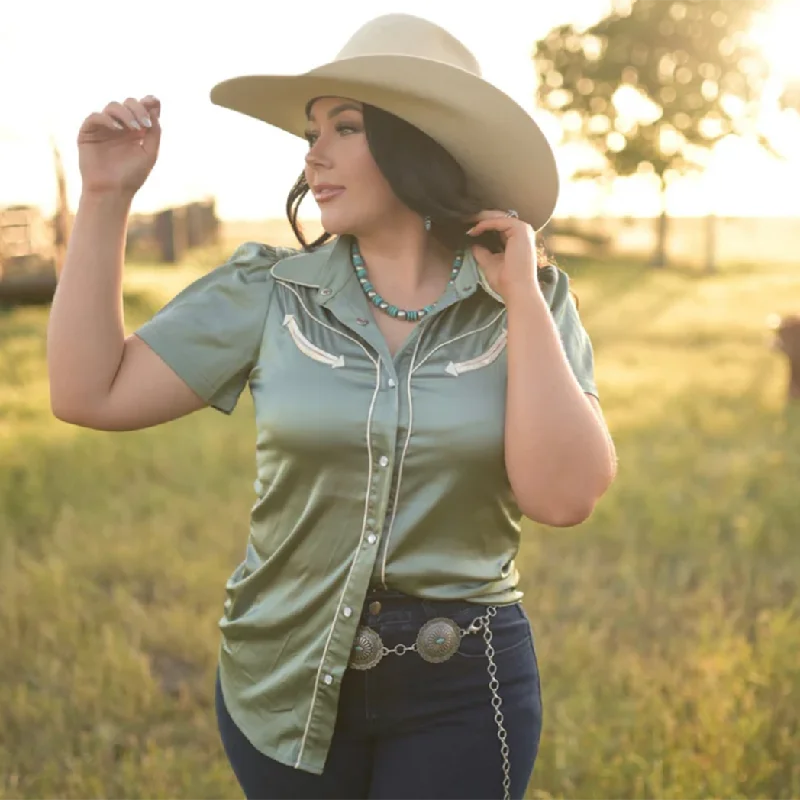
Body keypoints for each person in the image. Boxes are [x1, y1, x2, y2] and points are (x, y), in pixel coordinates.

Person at [46, 12, 617, 800]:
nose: (313, 153)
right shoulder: (268, 293)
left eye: (345, 127)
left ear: (418, 142)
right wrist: (105, 196)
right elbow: (87, 392)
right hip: (280, 680)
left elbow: (566, 495)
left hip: (464, 688)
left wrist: (519, 291)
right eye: (313, 130)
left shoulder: (531, 299)